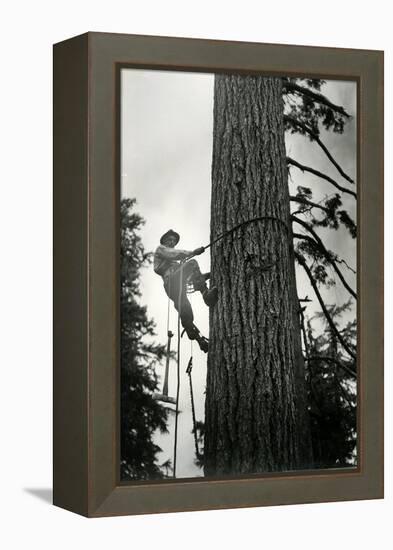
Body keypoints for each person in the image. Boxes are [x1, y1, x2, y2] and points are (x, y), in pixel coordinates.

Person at [154, 229, 218, 352]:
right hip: (171, 282)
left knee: (186, 313)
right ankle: (206, 296)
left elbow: (192, 278)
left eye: (174, 240)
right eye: (169, 239)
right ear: (164, 241)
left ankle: (200, 341)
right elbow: (174, 254)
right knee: (192, 263)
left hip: (177, 287)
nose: (172, 242)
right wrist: (192, 252)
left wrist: (207, 275)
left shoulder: (174, 263)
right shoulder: (161, 250)